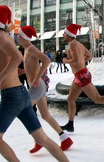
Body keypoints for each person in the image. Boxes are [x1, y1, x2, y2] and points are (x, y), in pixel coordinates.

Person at [0, 5, 84, 162]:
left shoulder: (1, 37)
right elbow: (9, 65)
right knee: (41, 137)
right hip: (19, 94)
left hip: (11, 97)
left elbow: (17, 57)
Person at [60, 23, 104, 133]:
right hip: (79, 75)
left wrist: (66, 61)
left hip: (82, 76)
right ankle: (70, 124)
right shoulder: (77, 44)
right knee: (70, 99)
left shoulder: (73, 44)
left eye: (65, 33)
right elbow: (89, 56)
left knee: (97, 99)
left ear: (69, 34)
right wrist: (80, 63)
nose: (63, 34)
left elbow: (77, 60)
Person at [18, 26, 74, 154]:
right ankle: (65, 138)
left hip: (37, 86)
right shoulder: (27, 49)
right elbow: (32, 66)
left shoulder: (31, 48)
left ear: (24, 37)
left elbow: (47, 60)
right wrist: (22, 71)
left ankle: (39, 140)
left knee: (24, 111)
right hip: (38, 86)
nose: (17, 37)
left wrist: (37, 78)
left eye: (19, 35)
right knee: (45, 115)